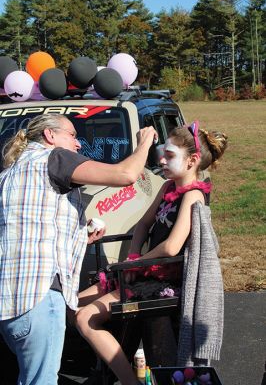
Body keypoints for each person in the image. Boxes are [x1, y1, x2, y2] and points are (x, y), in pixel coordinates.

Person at [0, 113, 157, 385]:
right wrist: (144, 143)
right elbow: (126, 174)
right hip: (39, 299)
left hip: (10, 303)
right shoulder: (55, 158)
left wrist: (80, 238)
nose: (78, 144)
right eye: (72, 135)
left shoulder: (9, 173)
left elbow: (25, 230)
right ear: (50, 136)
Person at [74, 120, 228, 385]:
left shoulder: (193, 196)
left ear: (192, 161)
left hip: (162, 281)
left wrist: (135, 265)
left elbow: (171, 247)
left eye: (170, 156)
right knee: (70, 302)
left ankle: (126, 379)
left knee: (84, 317)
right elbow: (143, 224)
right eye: (163, 153)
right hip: (142, 270)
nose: (162, 160)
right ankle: (114, 364)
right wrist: (133, 257)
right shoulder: (168, 188)